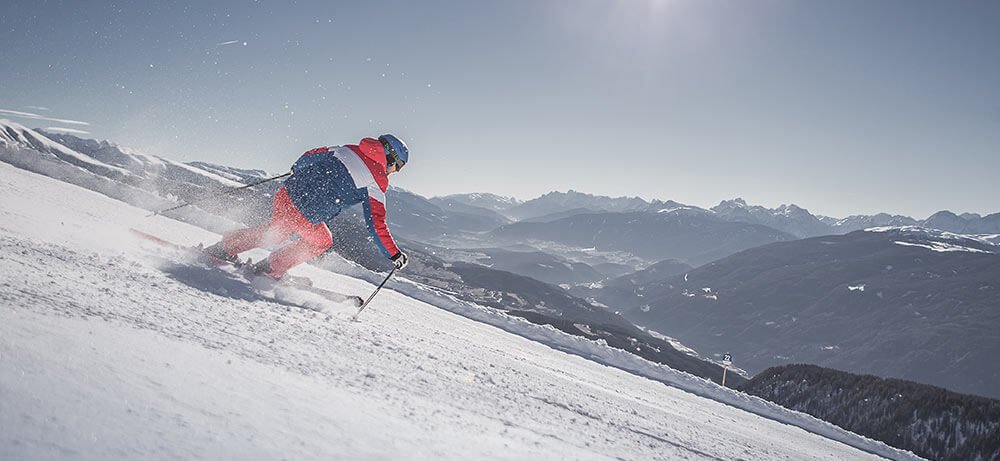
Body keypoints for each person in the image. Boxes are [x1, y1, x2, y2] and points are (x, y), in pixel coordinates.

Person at [203, 134, 410, 279]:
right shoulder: (376, 182)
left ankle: (224, 248)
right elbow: (376, 224)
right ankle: (270, 268)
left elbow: (311, 154)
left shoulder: (347, 149)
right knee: (322, 241)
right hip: (305, 213)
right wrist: (393, 254)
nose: (394, 172)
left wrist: (297, 169)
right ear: (390, 157)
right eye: (397, 167)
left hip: (286, 193)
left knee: (276, 233)